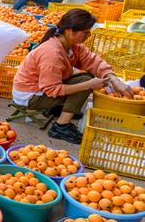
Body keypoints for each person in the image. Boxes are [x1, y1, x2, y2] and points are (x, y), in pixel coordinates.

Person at [12, 9, 132, 144]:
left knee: (88, 77)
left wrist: (114, 79)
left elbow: (94, 62)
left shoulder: (72, 46)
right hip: (30, 96)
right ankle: (60, 126)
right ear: (69, 31)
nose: (88, 35)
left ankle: (60, 109)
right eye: (85, 32)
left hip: (41, 89)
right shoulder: (51, 54)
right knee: (86, 81)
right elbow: (52, 89)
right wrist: (89, 85)